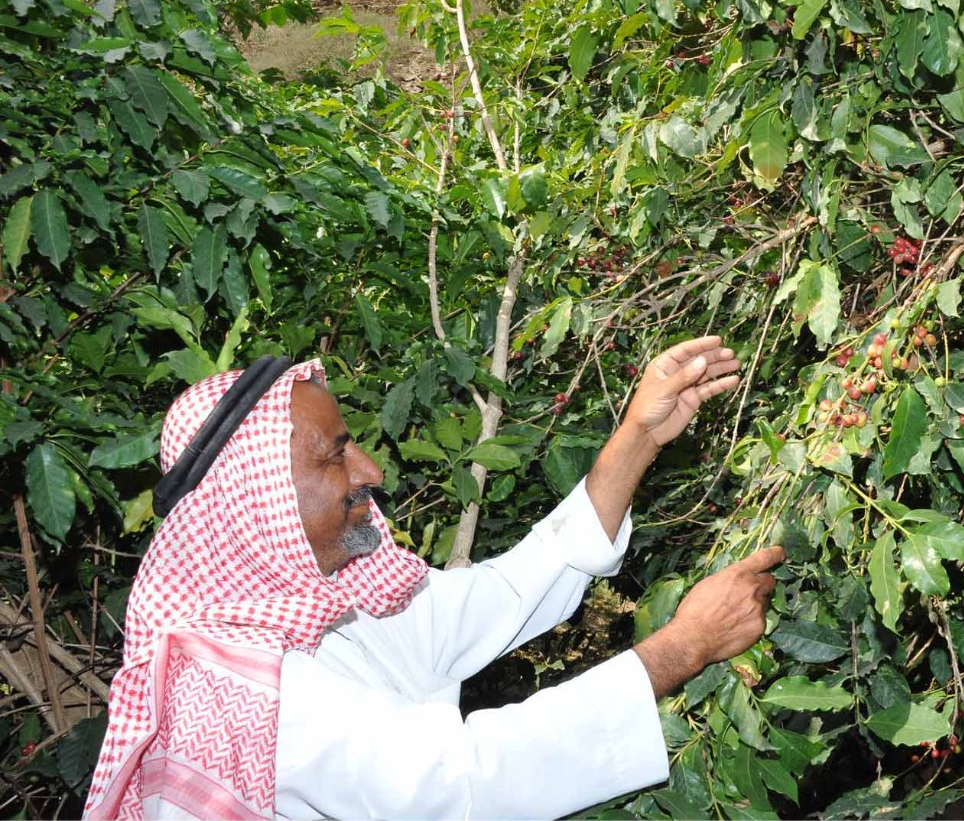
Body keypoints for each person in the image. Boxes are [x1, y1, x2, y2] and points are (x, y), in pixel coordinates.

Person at [85, 336, 784, 820]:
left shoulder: (323, 604)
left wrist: (639, 433)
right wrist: (686, 644)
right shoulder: (230, 697)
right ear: (255, 500)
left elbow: (508, 592)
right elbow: (465, 779)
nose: (370, 473)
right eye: (335, 457)